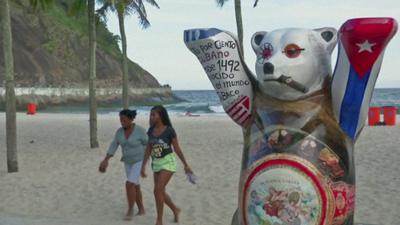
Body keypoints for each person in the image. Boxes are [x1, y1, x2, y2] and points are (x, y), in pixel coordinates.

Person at [141, 105, 193, 225]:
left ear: (161, 115)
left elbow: (177, 148)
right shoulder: (150, 131)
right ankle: (175, 209)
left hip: (168, 162)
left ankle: (159, 220)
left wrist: (186, 164)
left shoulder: (169, 130)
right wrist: (143, 165)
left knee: (157, 190)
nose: (151, 116)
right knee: (160, 192)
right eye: (151, 114)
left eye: (154, 114)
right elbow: (149, 149)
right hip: (156, 163)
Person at [99, 109, 147, 221]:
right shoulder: (119, 132)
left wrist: (146, 162)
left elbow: (147, 144)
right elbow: (114, 145)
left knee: (129, 184)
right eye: (121, 120)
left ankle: (130, 209)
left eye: (124, 120)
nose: (122, 122)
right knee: (135, 185)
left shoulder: (140, 131)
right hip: (127, 161)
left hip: (139, 160)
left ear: (131, 119)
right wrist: (106, 160)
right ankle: (141, 209)